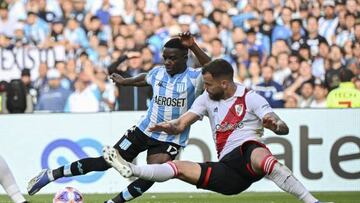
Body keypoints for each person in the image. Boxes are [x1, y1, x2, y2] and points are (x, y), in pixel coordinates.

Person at [103, 59, 323, 203]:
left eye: (208, 84)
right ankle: (132, 170)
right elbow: (181, 124)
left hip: (248, 153)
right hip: (228, 170)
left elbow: (281, 125)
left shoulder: (251, 98)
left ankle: (312, 202)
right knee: (177, 168)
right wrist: (169, 126)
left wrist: (275, 125)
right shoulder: (206, 99)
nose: (205, 88)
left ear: (225, 83)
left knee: (255, 150)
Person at [27, 32, 211, 203]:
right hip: (144, 130)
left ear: (185, 58)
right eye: (165, 58)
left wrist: (194, 46)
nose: (168, 62)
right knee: (105, 162)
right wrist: (125, 81)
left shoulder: (195, 78)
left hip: (171, 137)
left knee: (152, 173)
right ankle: (52, 175)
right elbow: (144, 78)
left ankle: (113, 202)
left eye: (173, 58)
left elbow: (213, 69)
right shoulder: (158, 72)